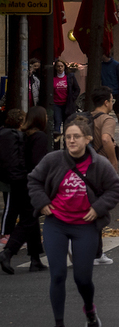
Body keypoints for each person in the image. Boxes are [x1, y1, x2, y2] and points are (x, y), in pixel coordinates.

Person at [27, 117, 119, 327]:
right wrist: (42, 203)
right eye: (68, 137)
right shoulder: (53, 160)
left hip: (84, 226)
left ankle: (89, 309)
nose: (71, 140)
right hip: (56, 223)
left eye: (76, 136)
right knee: (58, 274)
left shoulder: (99, 164)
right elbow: (34, 181)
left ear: (87, 139)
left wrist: (98, 208)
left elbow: (115, 188)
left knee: (82, 278)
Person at [0, 108, 48, 274]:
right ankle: (8, 252)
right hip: (31, 183)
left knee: (31, 218)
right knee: (29, 219)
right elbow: (37, 163)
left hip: (18, 182)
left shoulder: (23, 135)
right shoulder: (40, 137)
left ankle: (35, 259)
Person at [101, 52, 119, 140]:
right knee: (104, 113)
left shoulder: (116, 65)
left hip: (115, 92)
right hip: (105, 92)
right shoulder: (101, 65)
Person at [52, 59, 80, 135]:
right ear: (55, 68)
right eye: (58, 66)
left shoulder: (70, 77)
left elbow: (77, 89)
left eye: (61, 66)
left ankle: (66, 143)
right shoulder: (53, 78)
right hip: (56, 104)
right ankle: (56, 143)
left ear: (64, 67)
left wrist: (72, 99)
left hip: (67, 104)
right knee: (57, 122)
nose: (60, 68)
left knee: (67, 124)